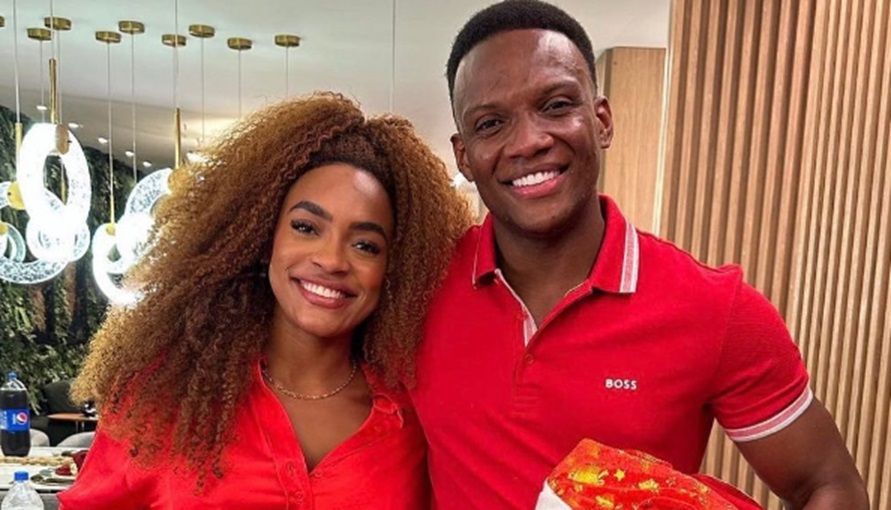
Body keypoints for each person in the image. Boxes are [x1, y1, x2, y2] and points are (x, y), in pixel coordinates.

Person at [408, 1, 869, 509]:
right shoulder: (418, 289)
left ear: (601, 120)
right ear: (464, 155)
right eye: (491, 123)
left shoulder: (716, 309)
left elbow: (829, 484)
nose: (529, 141)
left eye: (556, 105)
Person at [58, 93, 472, 509]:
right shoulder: (160, 400)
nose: (331, 260)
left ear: (394, 268)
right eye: (306, 227)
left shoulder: (414, 420)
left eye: (365, 245)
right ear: (263, 237)